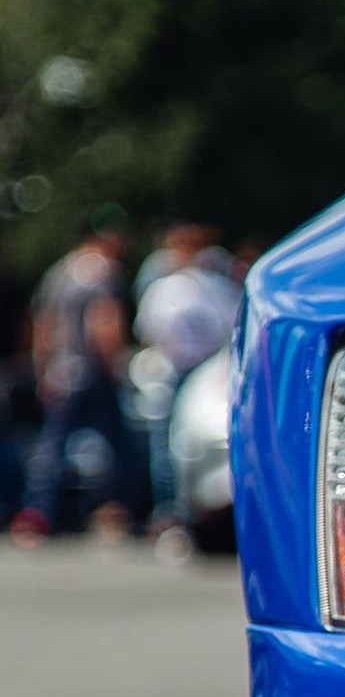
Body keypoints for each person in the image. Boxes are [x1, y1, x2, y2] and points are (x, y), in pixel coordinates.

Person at [12, 211, 147, 541]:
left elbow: (42, 323)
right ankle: (127, 512)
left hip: (62, 371)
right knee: (120, 445)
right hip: (92, 371)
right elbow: (104, 321)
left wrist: (43, 368)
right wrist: (115, 364)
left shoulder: (60, 271)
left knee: (53, 446)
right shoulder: (102, 270)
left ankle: (37, 513)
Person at [131, 223, 240, 543]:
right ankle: (173, 512)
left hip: (190, 369)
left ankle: (175, 513)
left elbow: (150, 331)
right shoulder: (213, 288)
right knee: (175, 444)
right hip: (199, 369)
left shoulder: (171, 289)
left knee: (172, 443)